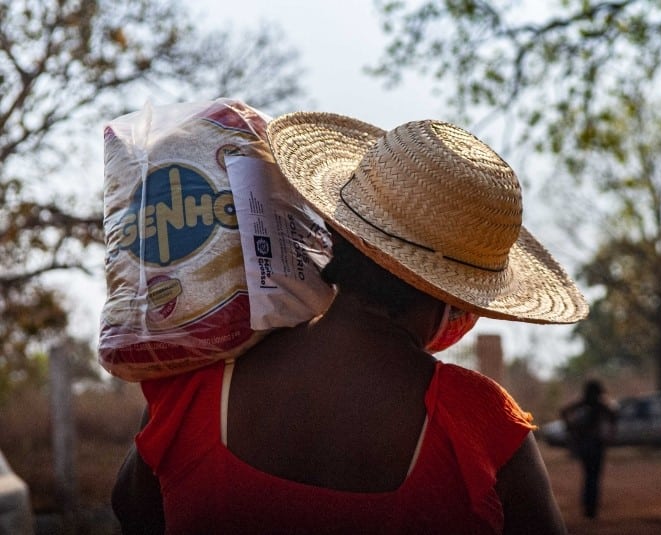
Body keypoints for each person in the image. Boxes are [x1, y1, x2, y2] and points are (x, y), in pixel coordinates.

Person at [111, 111, 588, 534]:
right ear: (453, 298)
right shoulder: (480, 422)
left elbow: (133, 511)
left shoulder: (194, 390)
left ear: (335, 233)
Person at [559, 379, 617, 519]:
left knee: (588, 475)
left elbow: (564, 411)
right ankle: (591, 508)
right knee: (594, 476)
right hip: (596, 445)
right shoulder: (601, 406)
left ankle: (588, 506)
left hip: (585, 445)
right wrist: (609, 434)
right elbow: (614, 415)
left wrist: (571, 428)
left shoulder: (583, 405)